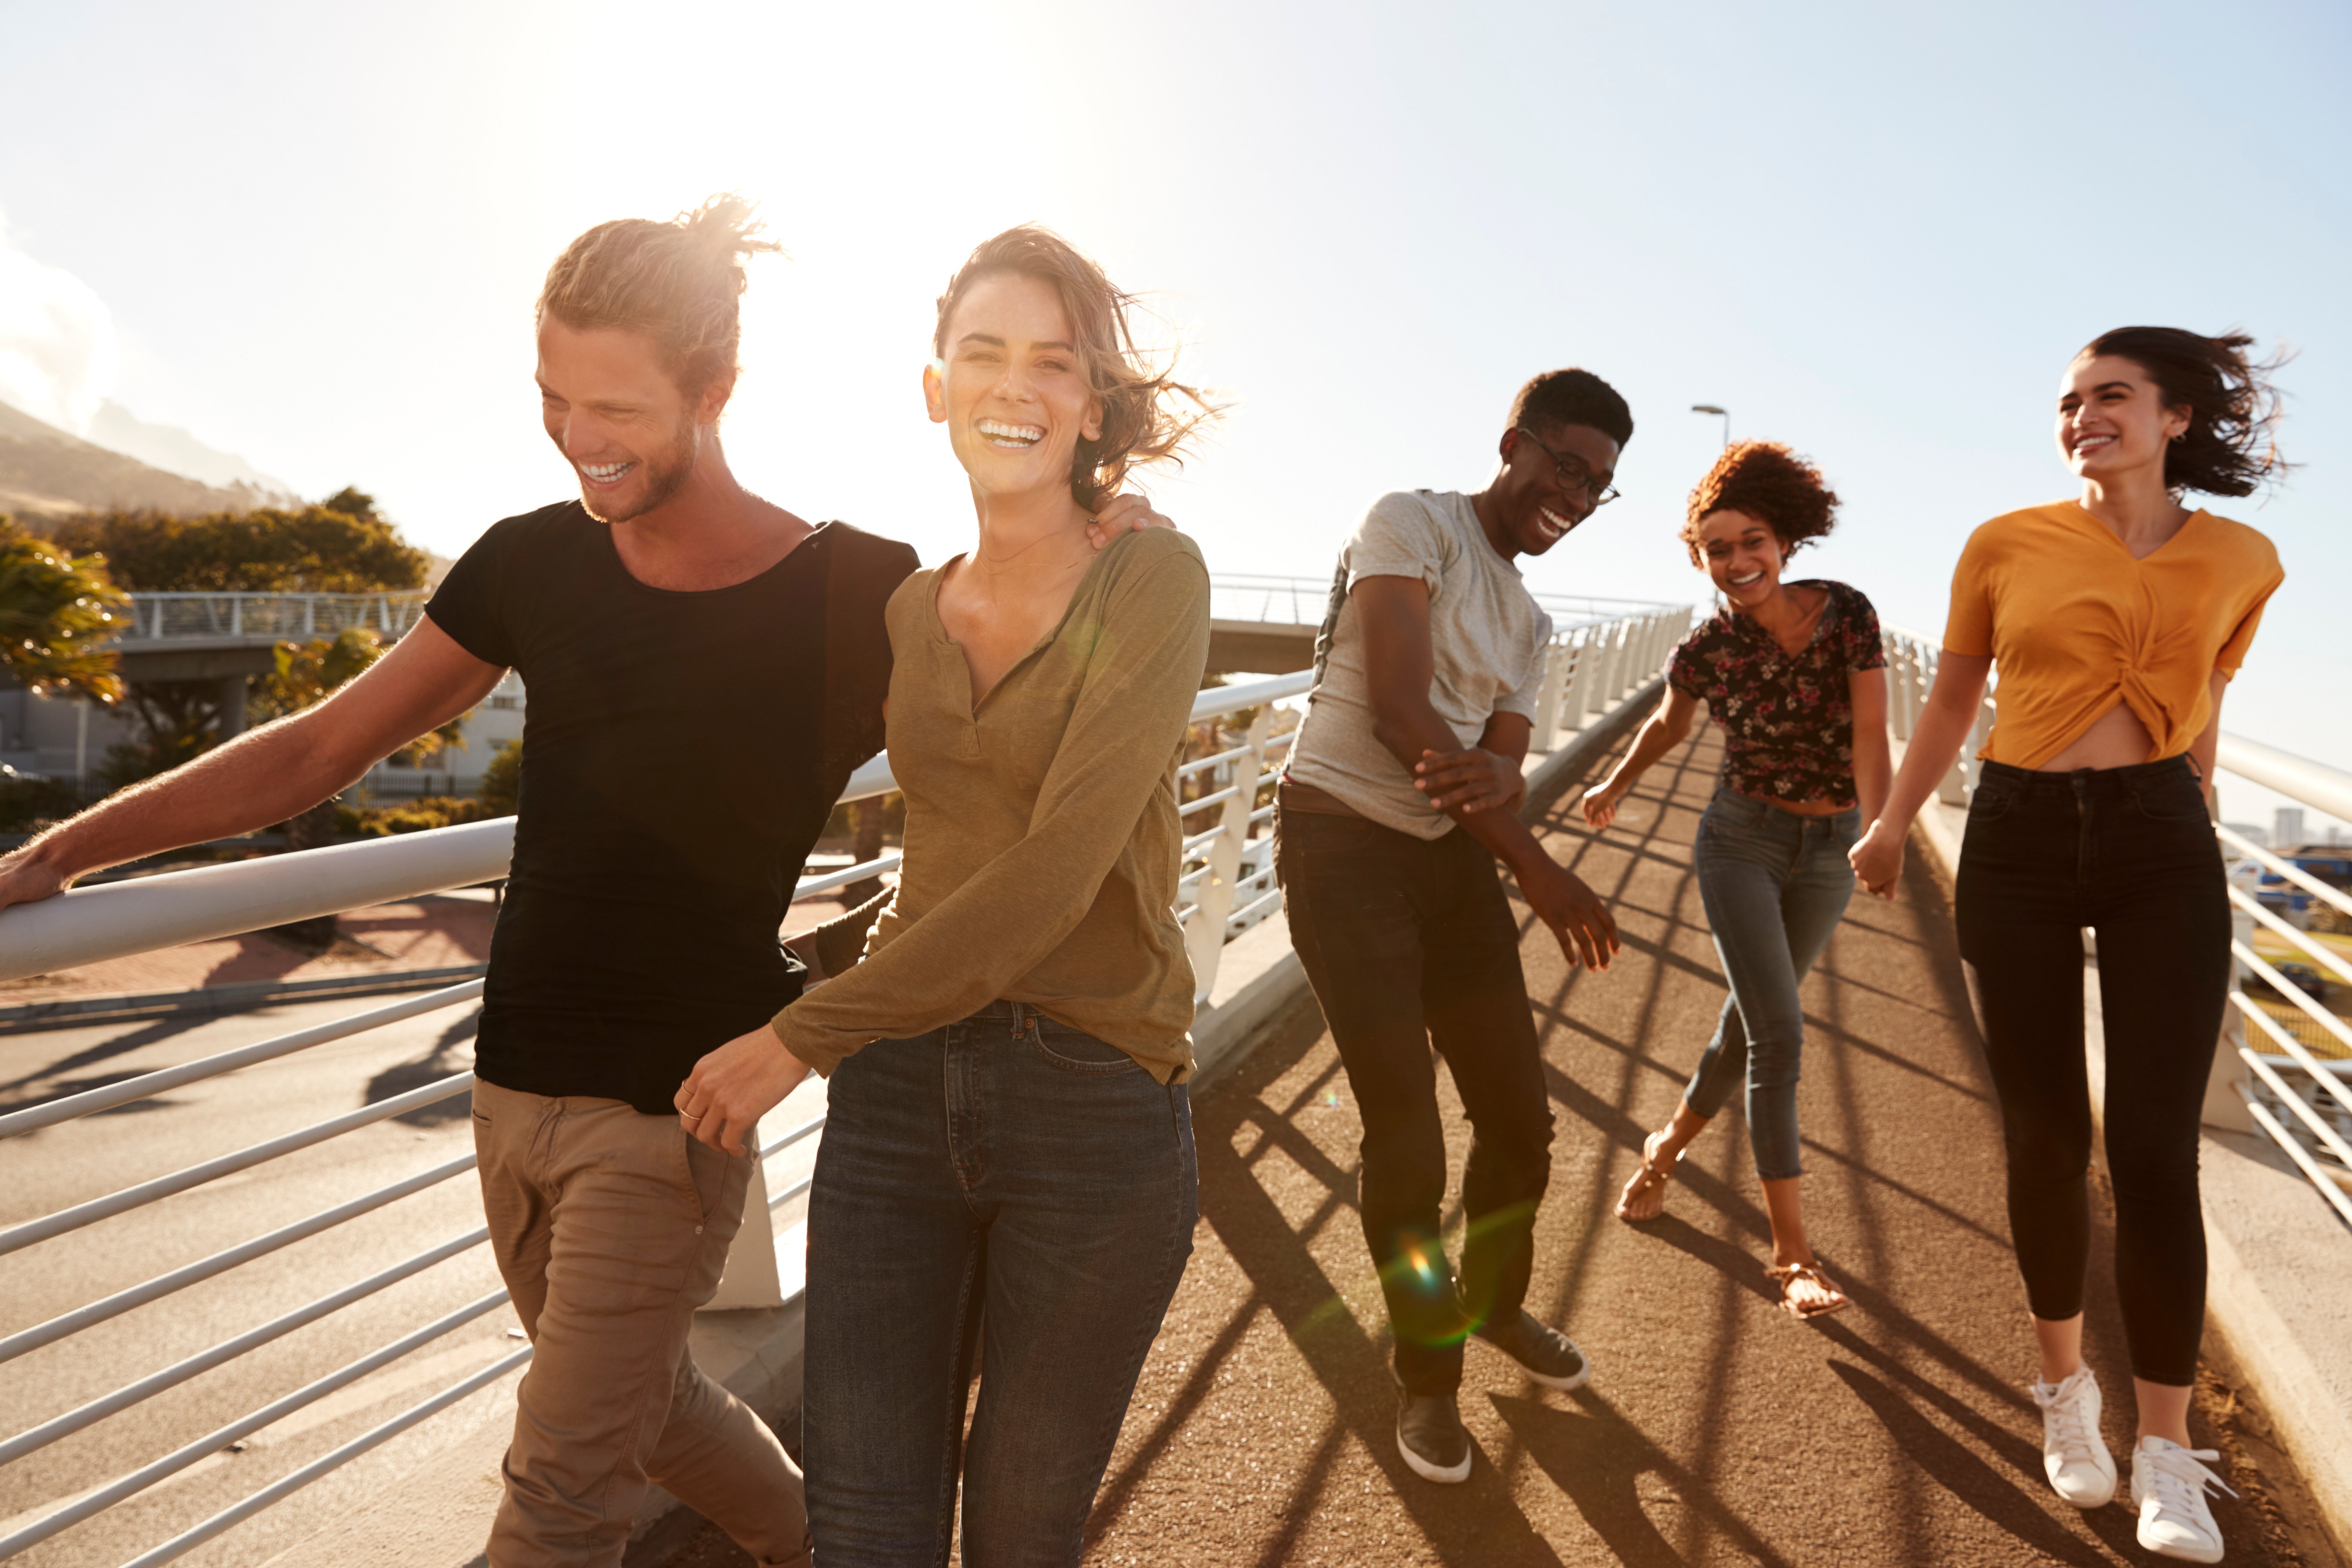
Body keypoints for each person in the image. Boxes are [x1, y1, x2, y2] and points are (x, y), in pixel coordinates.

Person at [0, 199, 1167, 1568]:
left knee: (556, 1498)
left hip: (670, 1114)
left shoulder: (859, 591)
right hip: (511, 1090)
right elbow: (319, 749)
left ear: (716, 392)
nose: (578, 437)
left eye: (614, 406)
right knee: (647, 1405)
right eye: (554, 398)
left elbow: (1013, 753)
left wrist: (1092, 538)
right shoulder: (532, 559)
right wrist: (64, 852)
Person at [671, 225, 1216, 1566]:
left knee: (1023, 1530)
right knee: (864, 1524)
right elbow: (779, 763)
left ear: (1094, 405)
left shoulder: (1153, 574)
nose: (1014, 387)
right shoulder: (911, 609)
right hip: (901, 1094)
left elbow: (1054, 871)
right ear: (936, 386)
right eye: (984, 353)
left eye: (1053, 362)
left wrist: (802, 1032)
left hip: (1094, 1095)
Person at [1850, 328, 2286, 1564]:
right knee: (2044, 1133)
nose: (2082, 416)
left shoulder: (2247, 558)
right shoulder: (2003, 543)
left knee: (2154, 1147)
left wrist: (2191, 806)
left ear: (2176, 417)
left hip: (2160, 837)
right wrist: (1888, 826)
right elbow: (1952, 696)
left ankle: (2165, 1448)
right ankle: (2064, 1398)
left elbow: (2208, 692)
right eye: (2068, 402)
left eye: (2110, 396)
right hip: (2022, 833)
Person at [1269, 370, 1627, 1486]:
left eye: (1602, 486)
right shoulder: (1412, 524)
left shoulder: (1530, 621)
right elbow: (1398, 710)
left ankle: (1495, 1306)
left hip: (1450, 862)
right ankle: (1430, 1381)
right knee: (1407, 1135)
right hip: (1345, 850)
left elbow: (1503, 768)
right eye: (1567, 466)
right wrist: (1546, 877)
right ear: (1514, 444)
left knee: (1521, 1122)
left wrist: (1499, 800)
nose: (1576, 495)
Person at [1582, 442, 1888, 1319]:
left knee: (1746, 1027)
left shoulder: (1849, 615)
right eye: (1717, 550)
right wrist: (1616, 782)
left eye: (1751, 541)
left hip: (1830, 846)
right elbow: (1668, 727)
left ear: (1785, 541)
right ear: (1699, 560)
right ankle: (1793, 1258)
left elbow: (1872, 734)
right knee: (1780, 1034)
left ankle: (1663, 1151)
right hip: (1741, 843)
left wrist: (1883, 827)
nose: (1737, 561)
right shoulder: (1709, 648)